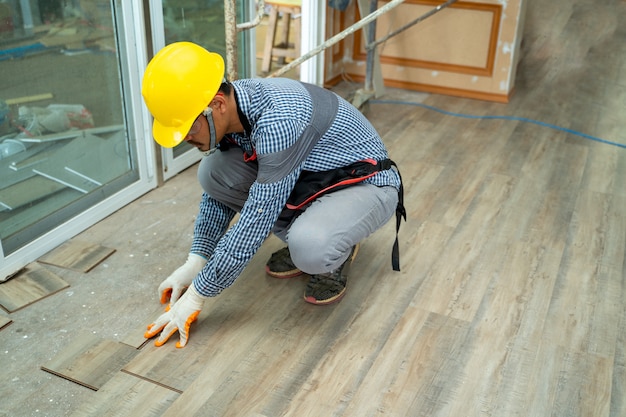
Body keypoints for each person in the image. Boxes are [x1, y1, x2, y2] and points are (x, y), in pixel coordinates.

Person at [142, 42, 405, 348]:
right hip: (314, 177)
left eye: (188, 127)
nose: (185, 138)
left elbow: (257, 217)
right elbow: (219, 196)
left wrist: (199, 294)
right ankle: (311, 232)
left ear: (217, 104)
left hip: (365, 183)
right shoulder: (235, 106)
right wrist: (196, 260)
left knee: (311, 249)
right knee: (212, 171)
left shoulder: (278, 122)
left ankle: (332, 249)